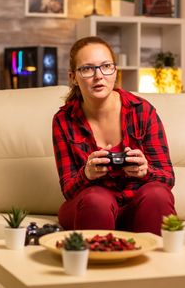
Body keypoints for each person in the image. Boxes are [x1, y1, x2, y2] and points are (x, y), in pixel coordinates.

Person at [52, 36, 176, 235]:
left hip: (137, 204)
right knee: (96, 200)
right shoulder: (63, 120)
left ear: (115, 71)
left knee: (157, 195)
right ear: (73, 77)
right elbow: (68, 188)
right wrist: (87, 174)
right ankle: (97, 263)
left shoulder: (142, 111)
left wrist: (146, 170)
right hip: (92, 206)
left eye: (106, 66)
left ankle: (154, 264)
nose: (99, 76)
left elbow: (167, 178)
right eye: (87, 68)